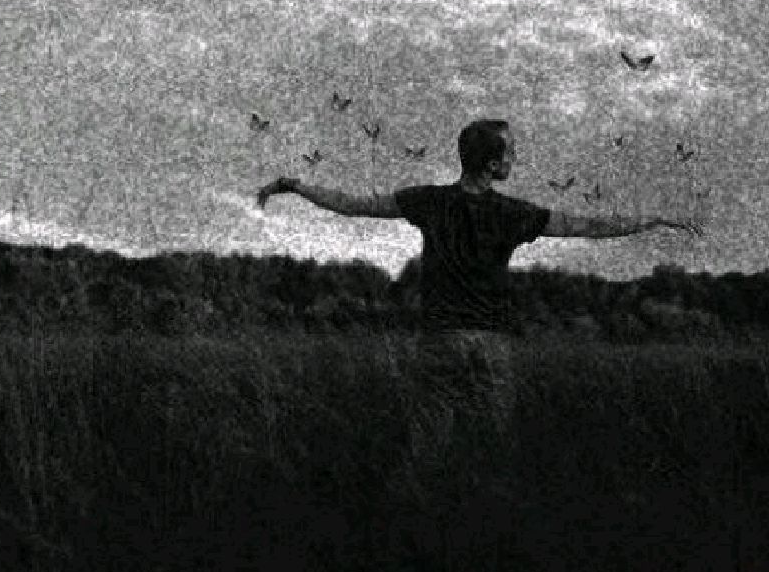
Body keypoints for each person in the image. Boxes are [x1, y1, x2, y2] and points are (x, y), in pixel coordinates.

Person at [256, 119, 704, 454]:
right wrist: (652, 220)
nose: (515, 159)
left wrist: (296, 186)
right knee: (490, 450)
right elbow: (587, 226)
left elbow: (353, 205)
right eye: (511, 153)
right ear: (492, 164)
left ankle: (423, 525)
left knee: (428, 451)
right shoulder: (512, 213)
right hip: (489, 344)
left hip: (439, 341)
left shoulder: (428, 201)